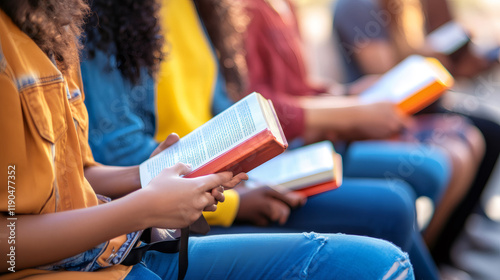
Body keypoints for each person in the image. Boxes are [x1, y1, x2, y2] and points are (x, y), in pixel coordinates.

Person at [0, 0, 416, 279]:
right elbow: (10, 245)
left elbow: (79, 173)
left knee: (386, 232)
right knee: (382, 251)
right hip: (109, 252)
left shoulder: (50, 27)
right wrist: (141, 208)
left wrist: (149, 174)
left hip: (127, 242)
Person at [333, 0, 500, 264]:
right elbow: (382, 74)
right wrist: (429, 55)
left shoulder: (405, 7)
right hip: (382, 111)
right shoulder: (357, 6)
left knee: (485, 132)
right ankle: (431, 256)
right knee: (466, 145)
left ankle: (445, 247)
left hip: (414, 102)